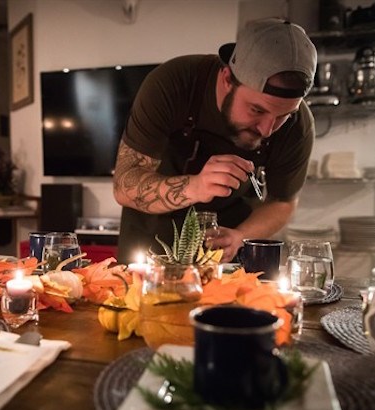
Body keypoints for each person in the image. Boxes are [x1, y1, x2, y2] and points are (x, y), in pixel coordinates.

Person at [113, 18, 317, 264]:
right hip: (149, 247)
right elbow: (124, 186)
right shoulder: (176, 83)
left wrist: (242, 236)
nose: (267, 130)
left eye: (283, 116)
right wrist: (195, 187)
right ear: (226, 79)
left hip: (226, 257)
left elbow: (283, 202)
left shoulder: (299, 125)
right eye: (256, 110)